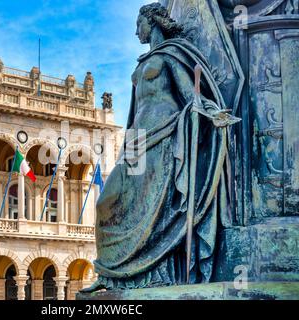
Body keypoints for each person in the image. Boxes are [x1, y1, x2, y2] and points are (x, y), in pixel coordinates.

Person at [82, 2, 239, 292]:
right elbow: (135, 108)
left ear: (152, 22)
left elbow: (190, 95)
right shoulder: (144, 61)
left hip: (164, 135)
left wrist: (210, 112)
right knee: (107, 203)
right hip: (137, 139)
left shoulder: (172, 54)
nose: (135, 30)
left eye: (139, 24)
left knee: (155, 210)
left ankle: (147, 271)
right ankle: (110, 274)